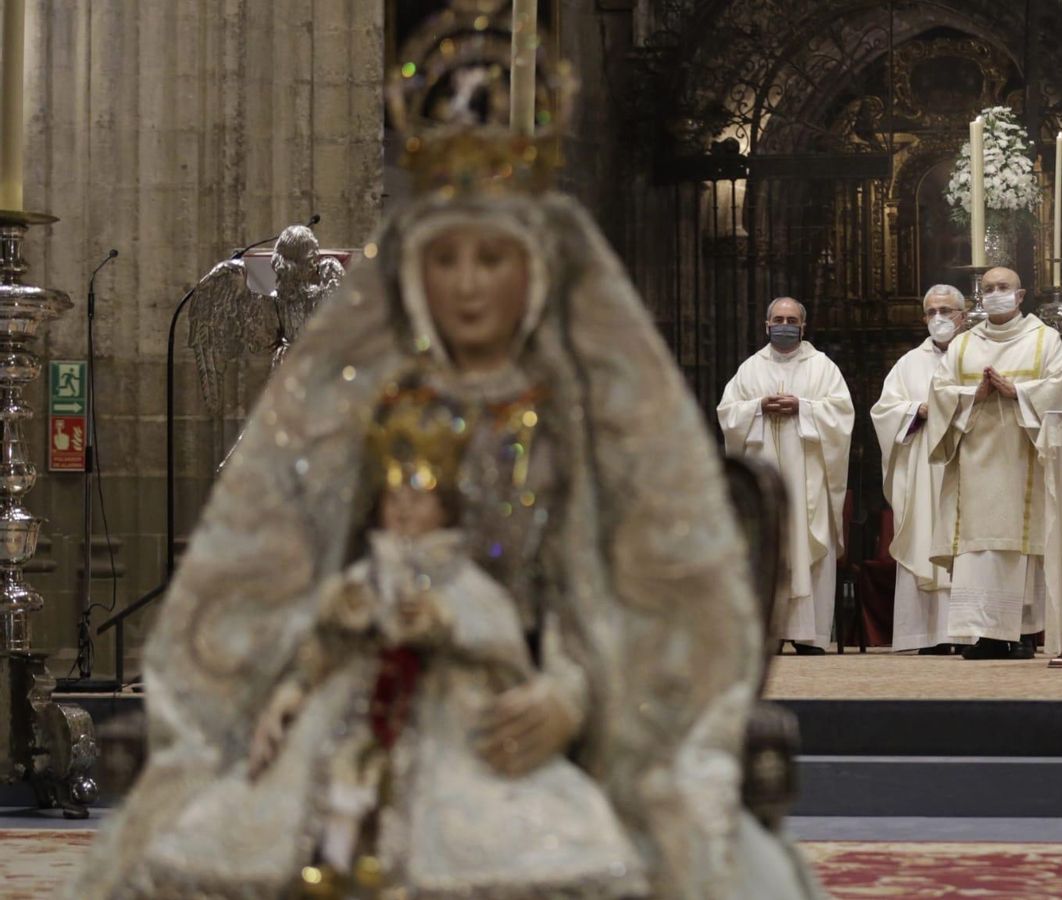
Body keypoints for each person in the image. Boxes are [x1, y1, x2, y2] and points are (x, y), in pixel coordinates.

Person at [69, 120, 819, 898]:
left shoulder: (582, 417)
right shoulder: (374, 411)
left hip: (522, 702)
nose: (466, 284)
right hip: (359, 697)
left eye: (490, 259)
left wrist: (572, 693)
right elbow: (304, 571)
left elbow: (626, 591)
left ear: (531, 270)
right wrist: (287, 683)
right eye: (445, 260)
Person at [118, 375, 644, 897]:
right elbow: (317, 642)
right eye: (395, 499)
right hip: (355, 702)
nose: (405, 511)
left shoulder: (463, 577)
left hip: (450, 713)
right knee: (331, 784)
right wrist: (297, 684)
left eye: (418, 498)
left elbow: (501, 634)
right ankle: (332, 861)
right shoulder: (366, 569)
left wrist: (447, 623)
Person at [927, 267, 1062, 660]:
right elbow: (940, 392)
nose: (995, 293)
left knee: (1019, 546)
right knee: (979, 551)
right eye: (988, 288)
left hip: (1022, 459)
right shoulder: (963, 345)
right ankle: (982, 633)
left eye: (1003, 287)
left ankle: (1023, 632)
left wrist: (1019, 391)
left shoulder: (1044, 340)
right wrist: (972, 395)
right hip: (974, 466)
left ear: (1020, 294)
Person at [718, 298, 854, 655]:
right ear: (766, 324)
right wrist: (758, 407)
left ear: (804, 326)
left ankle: (810, 635)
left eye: (791, 319)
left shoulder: (823, 367)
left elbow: (842, 414)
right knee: (771, 545)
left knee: (809, 543)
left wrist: (803, 408)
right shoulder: (750, 369)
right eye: (778, 319)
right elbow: (727, 413)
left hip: (809, 476)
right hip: (767, 477)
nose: (784, 324)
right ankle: (772, 631)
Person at [870, 284, 972, 654]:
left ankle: (968, 633)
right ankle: (926, 634)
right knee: (924, 538)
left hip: (967, 463)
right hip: (923, 469)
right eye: (932, 312)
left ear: (964, 315)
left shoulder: (976, 355)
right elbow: (883, 411)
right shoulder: (909, 364)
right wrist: (916, 411)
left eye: (946, 311)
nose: (939, 319)